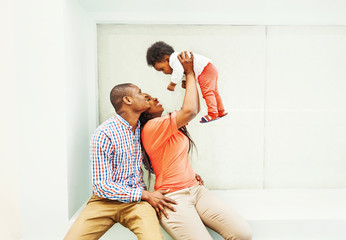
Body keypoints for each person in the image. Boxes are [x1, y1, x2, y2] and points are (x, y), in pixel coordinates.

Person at [140, 52, 252, 240]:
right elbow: (190, 110)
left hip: (196, 190)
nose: (155, 99)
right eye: (148, 99)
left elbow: (192, 107)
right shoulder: (152, 127)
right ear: (141, 110)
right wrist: (190, 72)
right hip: (173, 198)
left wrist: (187, 79)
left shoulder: (169, 124)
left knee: (242, 234)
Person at [64, 83, 178, 240]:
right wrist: (144, 194)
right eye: (139, 92)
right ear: (127, 100)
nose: (145, 95)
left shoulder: (144, 130)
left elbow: (153, 164)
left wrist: (188, 176)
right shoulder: (104, 133)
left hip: (136, 203)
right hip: (104, 202)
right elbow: (101, 185)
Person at [146, 41, 228, 123]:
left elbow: (179, 71)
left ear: (166, 58)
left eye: (162, 69)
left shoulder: (174, 59)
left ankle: (212, 113)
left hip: (205, 70)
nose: (164, 73)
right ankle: (221, 110)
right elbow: (184, 71)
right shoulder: (178, 59)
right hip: (209, 69)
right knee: (214, 92)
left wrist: (173, 84)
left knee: (207, 93)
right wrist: (185, 81)